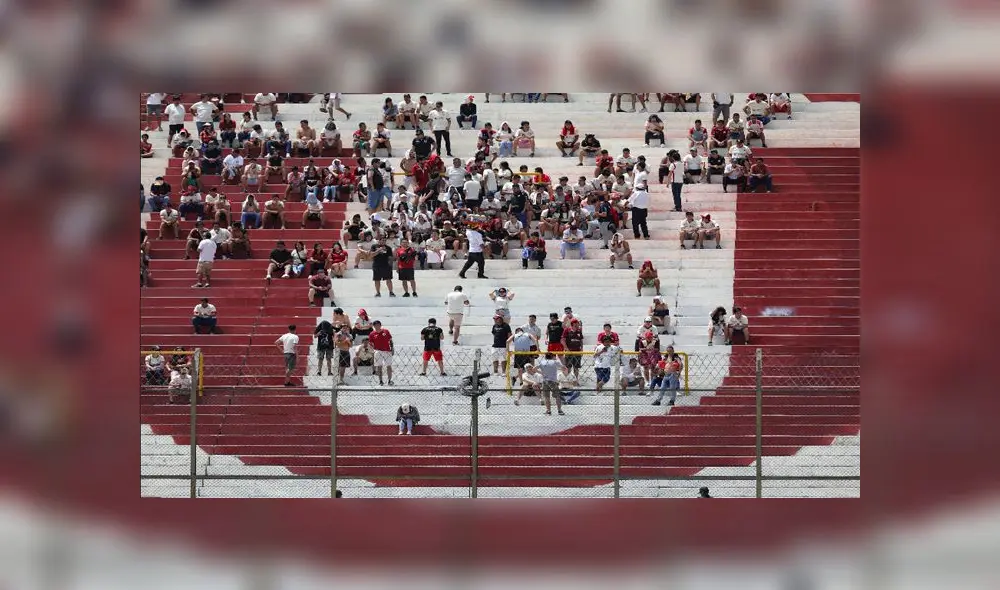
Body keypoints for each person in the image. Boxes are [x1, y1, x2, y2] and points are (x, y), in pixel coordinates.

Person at [368, 320, 394, 385]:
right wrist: (373, 350)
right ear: (374, 326)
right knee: (379, 366)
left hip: (387, 350)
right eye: (375, 325)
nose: (377, 326)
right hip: (378, 351)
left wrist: (392, 348)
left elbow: (390, 340)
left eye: (378, 325)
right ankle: (380, 381)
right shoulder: (372, 334)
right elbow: (371, 343)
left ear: (380, 325)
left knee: (389, 366)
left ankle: (389, 380)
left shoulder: (386, 331)